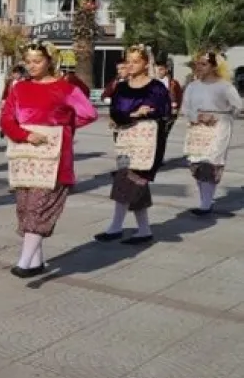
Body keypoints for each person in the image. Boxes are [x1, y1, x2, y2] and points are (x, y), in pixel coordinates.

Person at [0, 42, 97, 278]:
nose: (32, 66)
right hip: (25, 154)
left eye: (37, 61)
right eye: (28, 61)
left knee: (38, 207)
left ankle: (24, 262)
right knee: (25, 207)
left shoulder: (64, 88)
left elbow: (89, 113)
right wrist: (25, 134)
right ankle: (36, 262)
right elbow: (6, 119)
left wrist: (61, 128)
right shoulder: (19, 87)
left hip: (54, 157)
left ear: (49, 61)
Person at [96, 44, 171, 245]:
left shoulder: (156, 87)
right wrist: (134, 113)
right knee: (128, 181)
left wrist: (142, 113)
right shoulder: (121, 87)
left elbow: (162, 112)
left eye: (136, 61)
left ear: (146, 64)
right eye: (128, 61)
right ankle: (142, 230)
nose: (131, 65)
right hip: (125, 139)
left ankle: (117, 227)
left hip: (147, 140)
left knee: (131, 181)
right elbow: (115, 113)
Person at [180, 52, 241, 216]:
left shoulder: (225, 86)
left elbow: (238, 106)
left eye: (203, 64)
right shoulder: (192, 86)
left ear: (214, 66)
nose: (199, 67)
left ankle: (205, 204)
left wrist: (220, 116)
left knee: (210, 163)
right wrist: (197, 116)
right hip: (197, 128)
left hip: (218, 127)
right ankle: (204, 200)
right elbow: (185, 108)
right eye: (197, 64)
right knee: (196, 164)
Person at [156, 63, 184, 139]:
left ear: (166, 70)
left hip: (170, 111)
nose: (158, 72)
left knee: (166, 132)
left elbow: (179, 96)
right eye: (157, 69)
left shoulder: (173, 83)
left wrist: (177, 108)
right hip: (156, 111)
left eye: (161, 69)